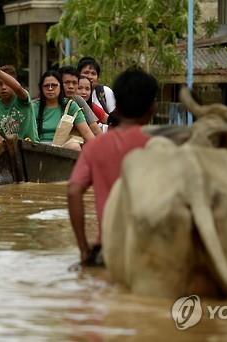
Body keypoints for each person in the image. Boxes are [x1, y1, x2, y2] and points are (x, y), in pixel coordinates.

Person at [67, 68, 158, 265]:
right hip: (151, 252)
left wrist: (84, 249)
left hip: (109, 251)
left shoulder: (95, 147)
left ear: (119, 106)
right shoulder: (160, 146)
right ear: (152, 109)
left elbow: (74, 191)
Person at [33, 70, 94, 150]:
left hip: (63, 148)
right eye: (46, 86)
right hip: (37, 147)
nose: (50, 88)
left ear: (60, 87)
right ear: (41, 88)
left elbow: (87, 133)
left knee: (74, 146)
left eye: (54, 85)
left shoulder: (70, 106)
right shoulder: (34, 106)